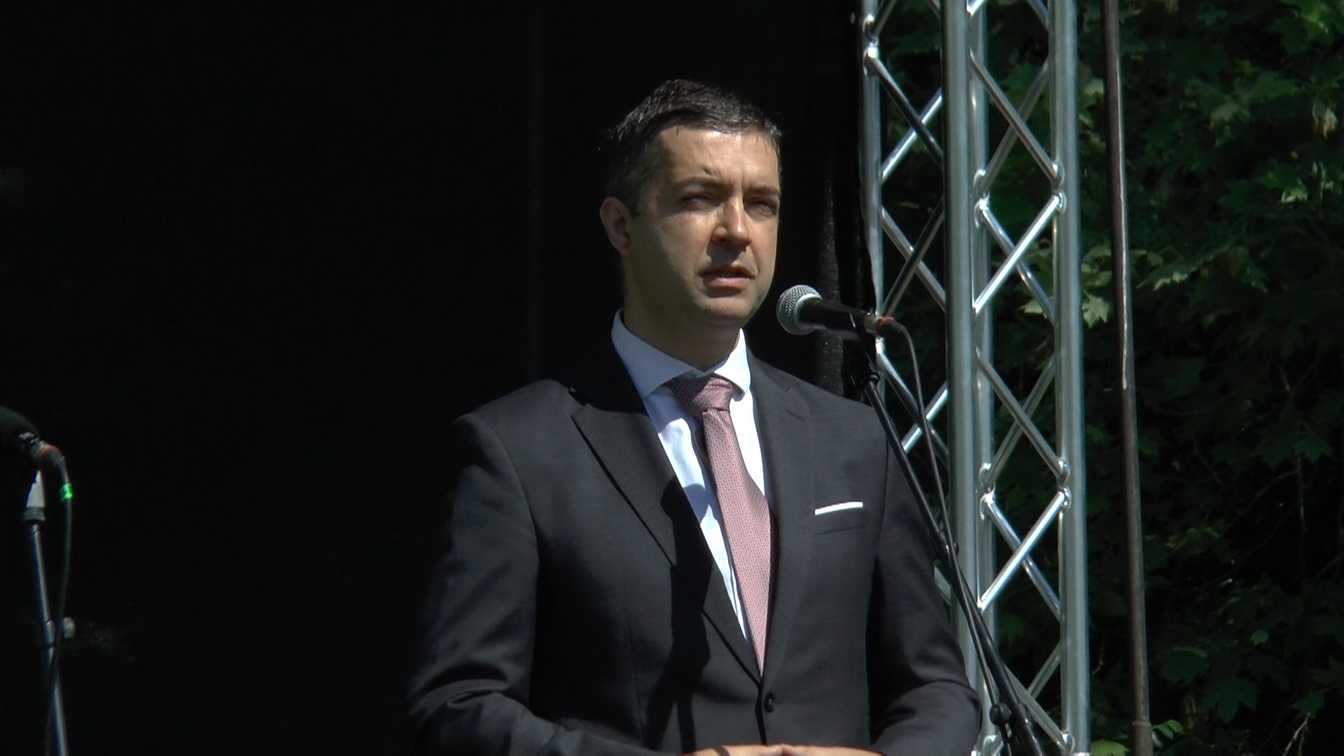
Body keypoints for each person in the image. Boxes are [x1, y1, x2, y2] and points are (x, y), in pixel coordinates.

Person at [407, 79, 979, 755]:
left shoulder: (854, 440)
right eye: (699, 199)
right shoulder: (519, 451)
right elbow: (458, 707)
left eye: (761, 204)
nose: (736, 231)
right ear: (621, 225)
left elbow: (936, 688)